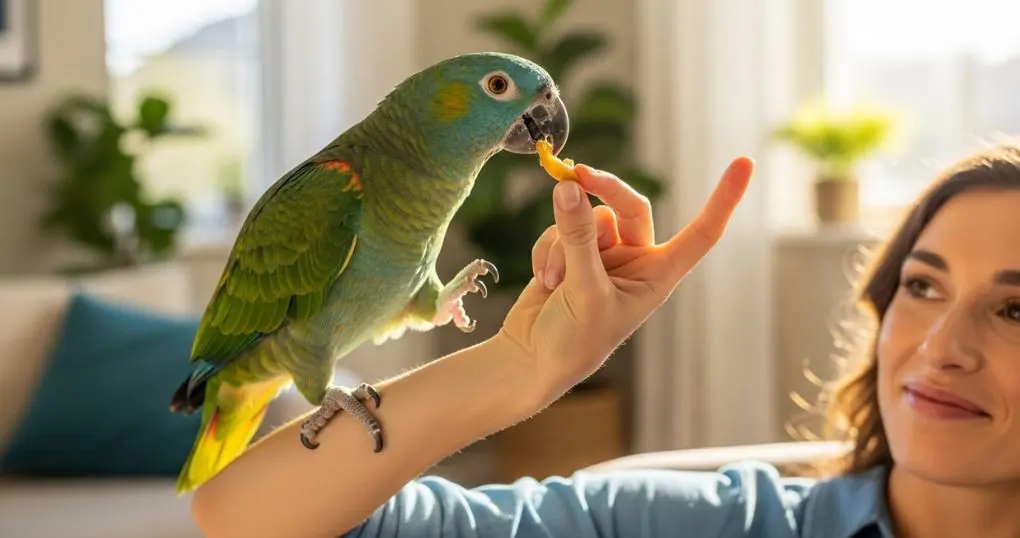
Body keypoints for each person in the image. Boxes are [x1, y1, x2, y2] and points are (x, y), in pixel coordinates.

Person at [189, 143, 1020, 538]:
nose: (941, 345)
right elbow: (243, 519)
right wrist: (516, 370)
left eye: (1014, 311)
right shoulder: (721, 525)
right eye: (922, 286)